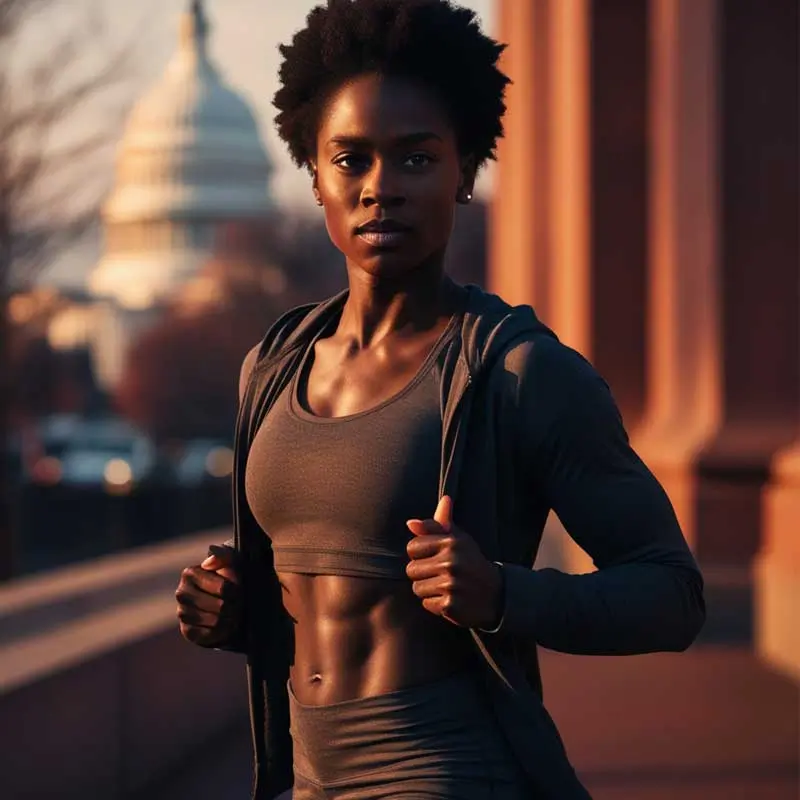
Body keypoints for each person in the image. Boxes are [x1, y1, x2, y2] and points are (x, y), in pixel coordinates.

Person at [174, 1, 706, 798]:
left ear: (465, 173)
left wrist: (502, 594)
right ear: (313, 175)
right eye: (350, 160)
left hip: (450, 772)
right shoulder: (272, 367)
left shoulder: (522, 372)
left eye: (416, 160)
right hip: (305, 777)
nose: (379, 189)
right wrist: (230, 614)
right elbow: (316, 602)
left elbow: (673, 596)